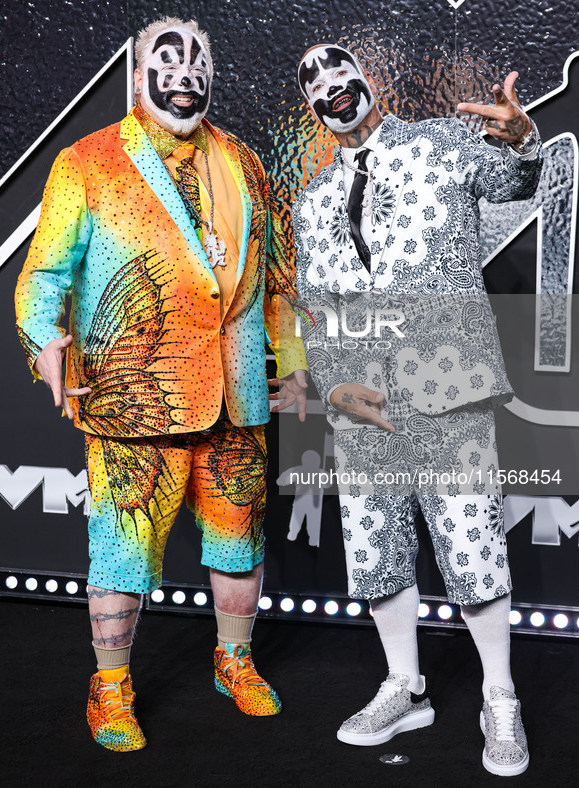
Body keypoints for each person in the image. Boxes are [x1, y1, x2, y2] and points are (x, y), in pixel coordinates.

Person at [15, 16, 307, 752]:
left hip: (237, 397)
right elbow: (43, 275)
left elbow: (277, 280)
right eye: (167, 58)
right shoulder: (87, 161)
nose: (185, 71)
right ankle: (108, 688)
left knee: (239, 538)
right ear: (137, 71)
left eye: (199, 59)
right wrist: (43, 342)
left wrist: (295, 363)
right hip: (132, 399)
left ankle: (232, 661)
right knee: (121, 551)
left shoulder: (245, 161)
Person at [293, 43, 542, 777]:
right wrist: (333, 384)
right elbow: (315, 307)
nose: (329, 85)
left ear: (368, 79)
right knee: (375, 553)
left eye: (339, 69)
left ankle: (500, 697)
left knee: (470, 546)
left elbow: (514, 180)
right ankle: (404, 686)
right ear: (311, 107)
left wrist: (521, 138)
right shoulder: (310, 201)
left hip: (448, 384)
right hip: (359, 402)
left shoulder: (443, 142)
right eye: (312, 81)